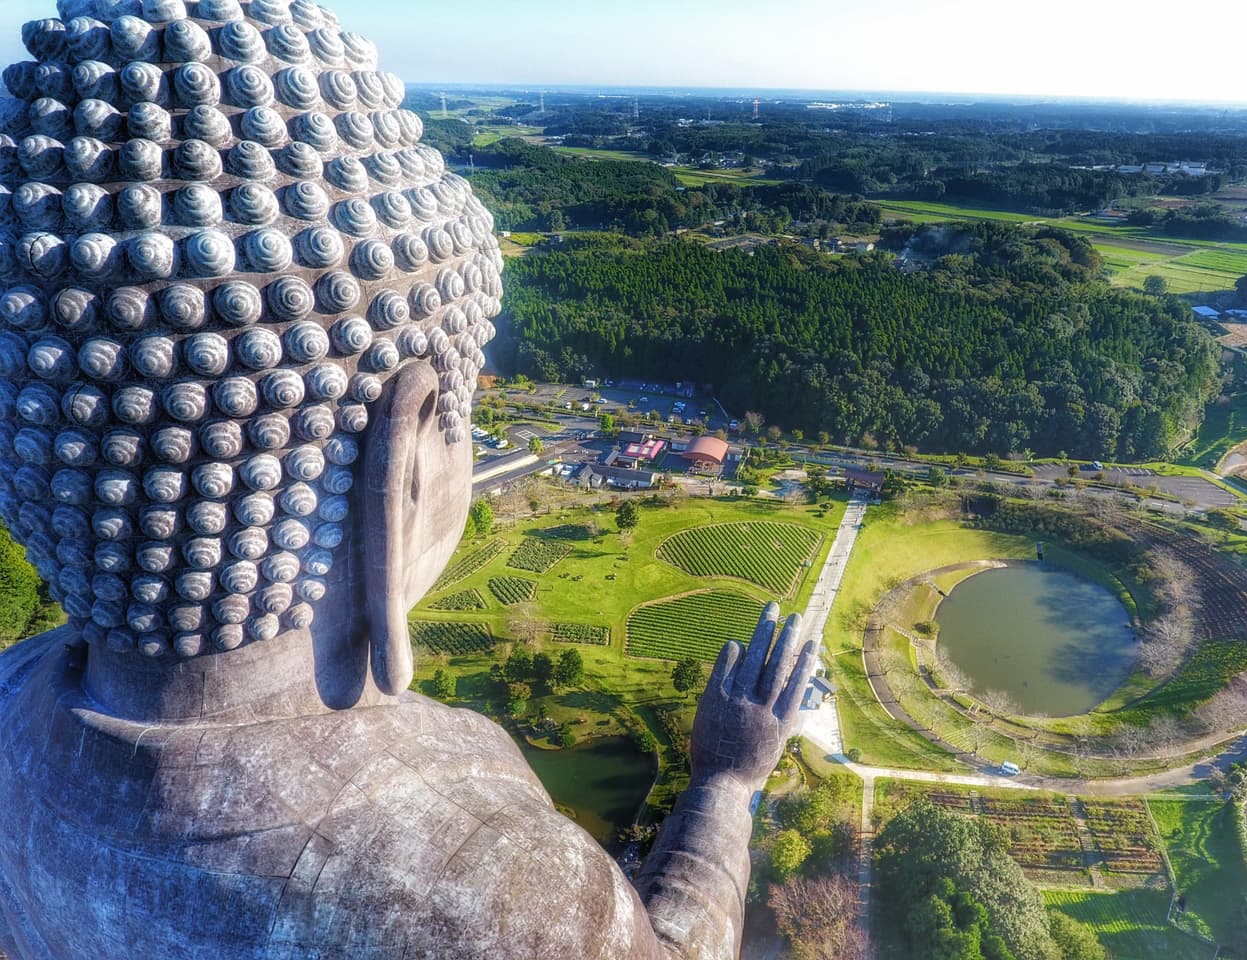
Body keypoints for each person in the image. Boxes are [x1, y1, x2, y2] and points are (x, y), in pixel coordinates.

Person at [0, 3, 815, 957]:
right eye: (460, 423)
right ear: (402, 465)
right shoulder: (482, 888)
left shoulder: (14, 708)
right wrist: (725, 783)